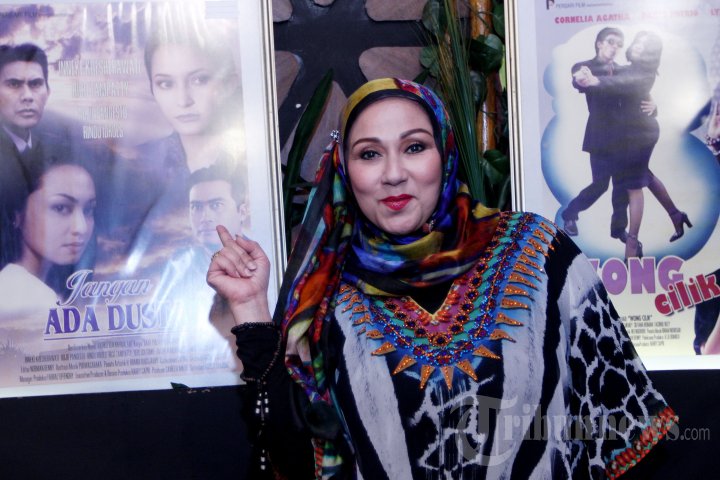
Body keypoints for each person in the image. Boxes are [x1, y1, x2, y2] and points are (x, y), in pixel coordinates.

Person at [207, 78, 676, 479]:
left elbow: (625, 424)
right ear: (345, 171)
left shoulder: (539, 253)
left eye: (414, 147)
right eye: (369, 154)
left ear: (444, 153)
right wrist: (250, 309)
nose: (394, 174)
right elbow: (292, 459)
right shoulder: (327, 293)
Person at [577, 31, 692, 259]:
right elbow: (615, 79)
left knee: (633, 186)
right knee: (644, 176)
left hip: (640, 135)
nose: (639, 46)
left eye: (645, 45)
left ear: (652, 53)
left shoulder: (643, 73)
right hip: (629, 134)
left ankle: (632, 242)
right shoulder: (629, 68)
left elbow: (620, 83)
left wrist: (596, 81)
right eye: (638, 41)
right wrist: (584, 77)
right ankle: (676, 215)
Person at [151, 160, 247, 362]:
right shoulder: (178, 265)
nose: (205, 217)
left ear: (242, 211)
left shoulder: (258, 262)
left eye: (216, 205)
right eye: (196, 207)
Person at [0, 152, 96, 322]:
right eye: (60, 208)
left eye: (88, 210)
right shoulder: (26, 298)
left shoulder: (38, 291)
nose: (81, 228)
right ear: (17, 214)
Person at [561, 27, 631, 242]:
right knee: (600, 185)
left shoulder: (622, 71)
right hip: (600, 134)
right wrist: (580, 78)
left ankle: (619, 229)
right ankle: (570, 214)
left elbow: (635, 92)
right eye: (611, 42)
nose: (615, 47)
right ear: (599, 43)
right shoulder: (586, 67)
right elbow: (577, 78)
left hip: (624, 136)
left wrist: (652, 106)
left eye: (619, 44)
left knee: (622, 185)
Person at [0, 43, 51, 268]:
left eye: (36, 84)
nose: (27, 96)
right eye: (14, 84)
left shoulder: (58, 152)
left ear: (48, 91)